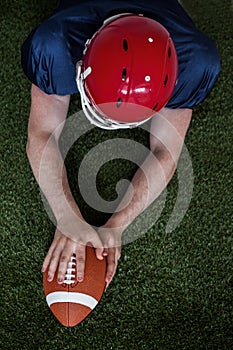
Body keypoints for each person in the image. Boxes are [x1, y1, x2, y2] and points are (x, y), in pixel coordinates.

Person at [21, 0, 220, 288]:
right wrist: (66, 216)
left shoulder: (193, 62)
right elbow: (41, 133)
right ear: (84, 55)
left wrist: (118, 224)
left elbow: (166, 150)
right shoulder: (56, 43)